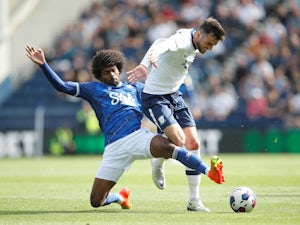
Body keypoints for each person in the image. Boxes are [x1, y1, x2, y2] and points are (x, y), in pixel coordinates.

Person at [25, 45, 224, 210]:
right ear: (99, 75)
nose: (112, 74)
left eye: (114, 70)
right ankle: (121, 198)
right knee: (96, 201)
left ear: (119, 68)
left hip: (136, 137)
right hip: (113, 148)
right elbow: (62, 86)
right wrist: (44, 65)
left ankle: (208, 172)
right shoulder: (93, 89)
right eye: (106, 72)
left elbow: (160, 94)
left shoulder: (136, 88)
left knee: (169, 146)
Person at [127, 17, 226, 212]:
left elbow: (159, 43)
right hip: (155, 98)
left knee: (194, 144)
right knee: (179, 141)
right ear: (199, 35)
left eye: (213, 46)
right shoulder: (181, 41)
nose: (209, 48)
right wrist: (145, 63)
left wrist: (148, 59)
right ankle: (157, 161)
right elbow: (163, 44)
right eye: (208, 43)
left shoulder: (193, 39)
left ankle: (194, 200)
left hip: (174, 95)